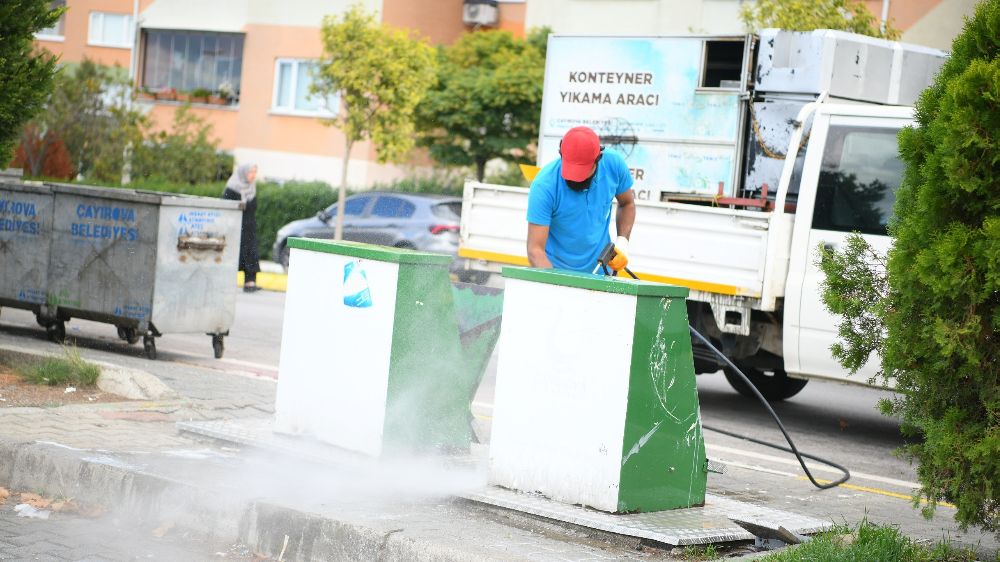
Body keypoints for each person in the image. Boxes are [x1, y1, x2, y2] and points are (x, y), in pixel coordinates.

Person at [526, 126, 636, 273]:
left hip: (601, 272)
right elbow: (535, 250)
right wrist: (554, 285)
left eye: (581, 173)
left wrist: (622, 242)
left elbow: (627, 204)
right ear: (561, 154)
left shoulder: (613, 165)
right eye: (571, 172)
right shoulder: (544, 186)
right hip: (555, 271)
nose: (575, 179)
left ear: (598, 158)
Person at [223, 163, 262, 293]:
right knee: (233, 254)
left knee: (251, 254)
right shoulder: (232, 188)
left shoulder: (252, 188)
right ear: (243, 173)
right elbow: (227, 209)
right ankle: (226, 283)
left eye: (254, 173)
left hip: (249, 228)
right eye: (251, 172)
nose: (253, 176)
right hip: (234, 228)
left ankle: (250, 283)